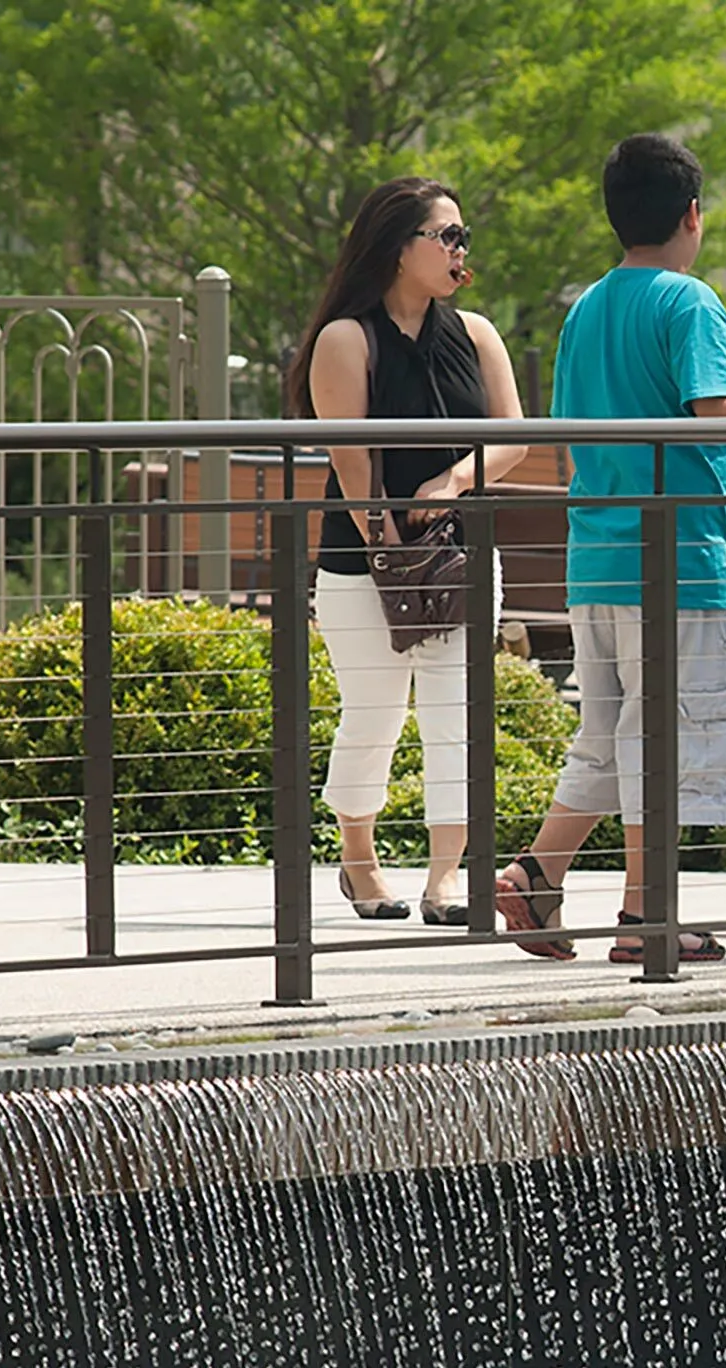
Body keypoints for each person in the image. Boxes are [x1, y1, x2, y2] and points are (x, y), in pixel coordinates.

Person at [490, 135, 726, 963]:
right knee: (667, 733)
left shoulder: (586, 307)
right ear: (692, 215)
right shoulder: (688, 302)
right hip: (680, 557)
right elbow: (716, 406)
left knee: (609, 732)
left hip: (595, 554)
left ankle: (537, 873)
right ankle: (646, 916)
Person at [292, 176, 528, 924]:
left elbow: (513, 437)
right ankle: (358, 860)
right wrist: (389, 545)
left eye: (464, 237)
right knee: (373, 714)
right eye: (447, 236)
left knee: (459, 713)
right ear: (400, 247)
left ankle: (446, 876)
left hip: (459, 553)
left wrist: (453, 481)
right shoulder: (345, 339)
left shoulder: (479, 333)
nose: (462, 250)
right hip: (361, 563)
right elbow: (350, 460)